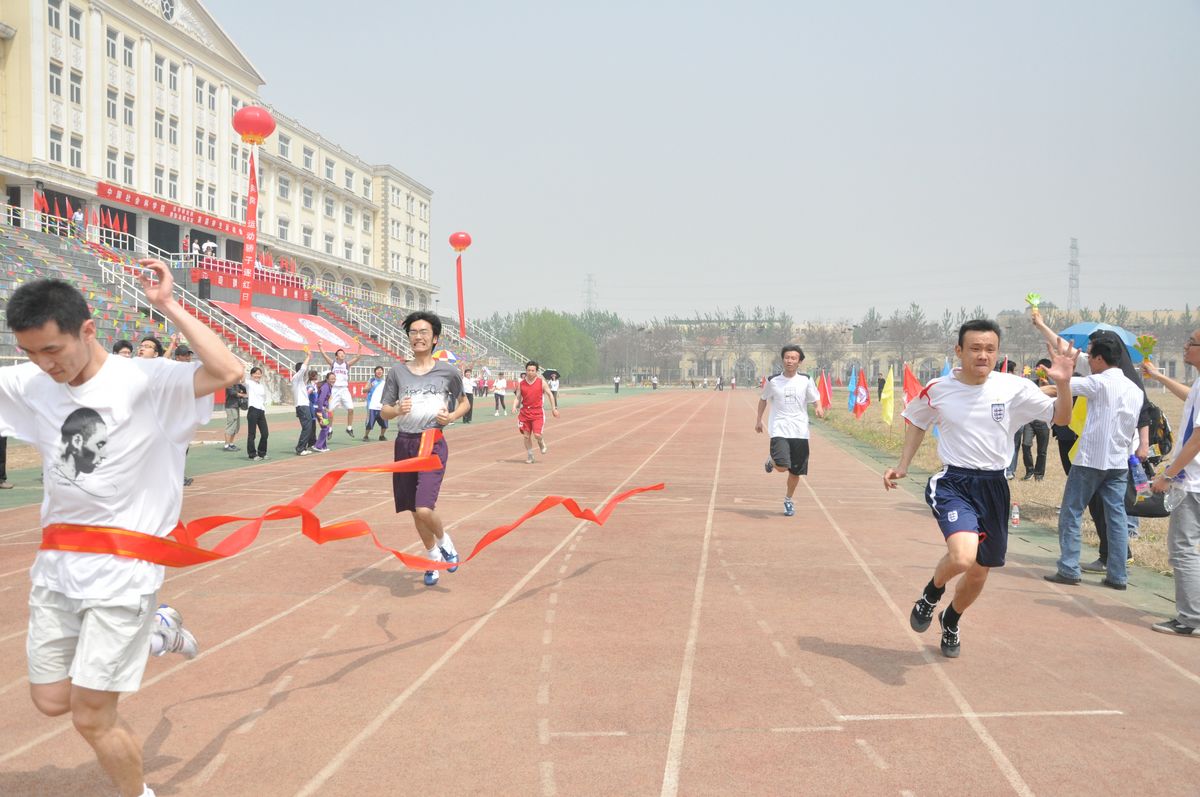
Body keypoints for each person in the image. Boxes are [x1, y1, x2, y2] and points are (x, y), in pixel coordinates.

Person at [0, 263, 242, 797]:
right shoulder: (32, 383)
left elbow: (228, 370)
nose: (44, 364)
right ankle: (158, 631)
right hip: (57, 568)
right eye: (31, 353)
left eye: (52, 350)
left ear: (87, 330)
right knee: (51, 701)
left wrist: (169, 306)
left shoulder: (146, 382)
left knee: (90, 715)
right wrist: (38, 364)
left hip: (125, 571)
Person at [885, 320, 1074, 658]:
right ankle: (931, 594)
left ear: (997, 353)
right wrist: (903, 465)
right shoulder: (938, 388)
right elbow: (917, 421)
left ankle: (951, 619)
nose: (982, 355)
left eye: (989, 349)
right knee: (962, 556)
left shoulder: (1014, 387)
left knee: (978, 573)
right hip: (954, 483)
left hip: (995, 486)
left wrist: (1063, 384)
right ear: (959, 351)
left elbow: (1061, 419)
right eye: (975, 348)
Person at [1042, 336, 1142, 590]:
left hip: (1090, 459)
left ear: (1099, 359)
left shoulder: (1098, 383)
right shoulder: (1135, 389)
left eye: (1090, 356)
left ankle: (1069, 568)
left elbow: (1064, 385)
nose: (1089, 361)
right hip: (1118, 462)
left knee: (1072, 512)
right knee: (1116, 517)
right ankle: (1118, 575)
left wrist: (1059, 376)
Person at [380, 311, 469, 587]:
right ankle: (432, 560)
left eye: (424, 332)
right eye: (413, 332)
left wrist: (450, 417)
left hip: (432, 443)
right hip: (404, 443)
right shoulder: (397, 372)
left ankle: (445, 543)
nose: (418, 337)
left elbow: (465, 403)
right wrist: (397, 409)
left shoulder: (448, 372)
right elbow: (384, 411)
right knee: (413, 510)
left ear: (435, 339)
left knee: (424, 509)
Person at [1144, 330, 1200, 636]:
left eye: (1192, 342)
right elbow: (1190, 396)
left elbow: (1198, 439)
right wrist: (1159, 377)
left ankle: (1191, 618)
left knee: (1183, 548)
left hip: (1194, 483)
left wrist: (1168, 474)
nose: (1185, 345)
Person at [757, 345, 826, 517]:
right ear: (783, 359)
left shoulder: (806, 380)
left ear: (799, 362)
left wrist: (818, 407)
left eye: (793, 358)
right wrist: (758, 420)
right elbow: (763, 399)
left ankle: (788, 499)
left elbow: (815, 397)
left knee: (796, 471)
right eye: (787, 357)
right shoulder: (773, 380)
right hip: (779, 428)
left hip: (800, 431)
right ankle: (772, 460)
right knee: (782, 466)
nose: (790, 361)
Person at [514, 360, 560, 464]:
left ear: (536, 371)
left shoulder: (541, 382)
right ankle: (530, 455)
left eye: (532, 370)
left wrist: (554, 408)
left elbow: (550, 394)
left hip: (537, 412)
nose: (530, 372)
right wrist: (514, 406)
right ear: (526, 370)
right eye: (528, 370)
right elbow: (518, 397)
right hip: (525, 413)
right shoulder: (521, 384)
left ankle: (541, 442)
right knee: (526, 436)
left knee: (537, 435)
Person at [317, 340, 363, 436]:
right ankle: (329, 429)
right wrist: (320, 346)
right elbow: (324, 355)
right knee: (330, 411)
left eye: (343, 353)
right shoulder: (333, 363)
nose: (342, 354)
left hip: (344, 390)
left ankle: (349, 428)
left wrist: (359, 347)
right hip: (334, 390)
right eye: (340, 353)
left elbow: (358, 357)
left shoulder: (347, 364)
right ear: (336, 356)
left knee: (351, 409)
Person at [1019, 359, 1052, 480]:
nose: (1038, 372)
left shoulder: (1052, 384)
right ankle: (1029, 470)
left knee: (1042, 451)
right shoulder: (1032, 384)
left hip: (1044, 422)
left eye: (1041, 370)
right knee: (1025, 445)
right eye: (1037, 369)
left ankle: (1039, 474)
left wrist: (1047, 386)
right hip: (1030, 420)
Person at [291, 350, 314, 457]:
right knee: (307, 427)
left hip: (303, 406)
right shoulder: (296, 378)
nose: (305, 371)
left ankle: (302, 447)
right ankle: (300, 448)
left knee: (307, 427)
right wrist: (308, 356)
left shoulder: (300, 381)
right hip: (302, 406)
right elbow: (303, 368)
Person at [245, 365, 269, 460]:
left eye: (259, 374)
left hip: (261, 410)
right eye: (255, 373)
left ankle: (262, 452)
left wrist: (263, 409)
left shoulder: (261, 386)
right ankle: (252, 454)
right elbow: (241, 379)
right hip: (253, 410)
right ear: (251, 375)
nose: (257, 375)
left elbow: (263, 399)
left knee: (265, 433)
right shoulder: (249, 383)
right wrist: (241, 368)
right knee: (252, 434)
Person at [363, 365, 389, 441]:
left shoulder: (384, 382)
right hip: (372, 405)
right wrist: (370, 386)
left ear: (383, 372)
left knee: (384, 423)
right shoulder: (371, 380)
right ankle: (366, 436)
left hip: (381, 405)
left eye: (381, 370)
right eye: (377, 370)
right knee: (370, 422)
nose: (379, 371)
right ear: (375, 372)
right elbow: (364, 390)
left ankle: (382, 436)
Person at [222, 377, 247, 452]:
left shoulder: (237, 384)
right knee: (231, 425)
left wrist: (242, 383)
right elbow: (232, 393)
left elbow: (245, 389)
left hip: (236, 407)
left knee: (235, 426)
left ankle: (231, 444)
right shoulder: (229, 384)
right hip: (230, 407)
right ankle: (226, 445)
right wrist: (242, 395)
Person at [313, 372, 335, 452]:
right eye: (331, 379)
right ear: (327, 379)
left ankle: (323, 446)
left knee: (325, 427)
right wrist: (321, 410)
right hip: (319, 410)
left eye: (334, 378)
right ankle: (318, 446)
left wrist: (325, 408)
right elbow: (321, 399)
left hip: (321, 409)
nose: (333, 380)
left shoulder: (328, 386)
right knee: (326, 427)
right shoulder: (326, 387)